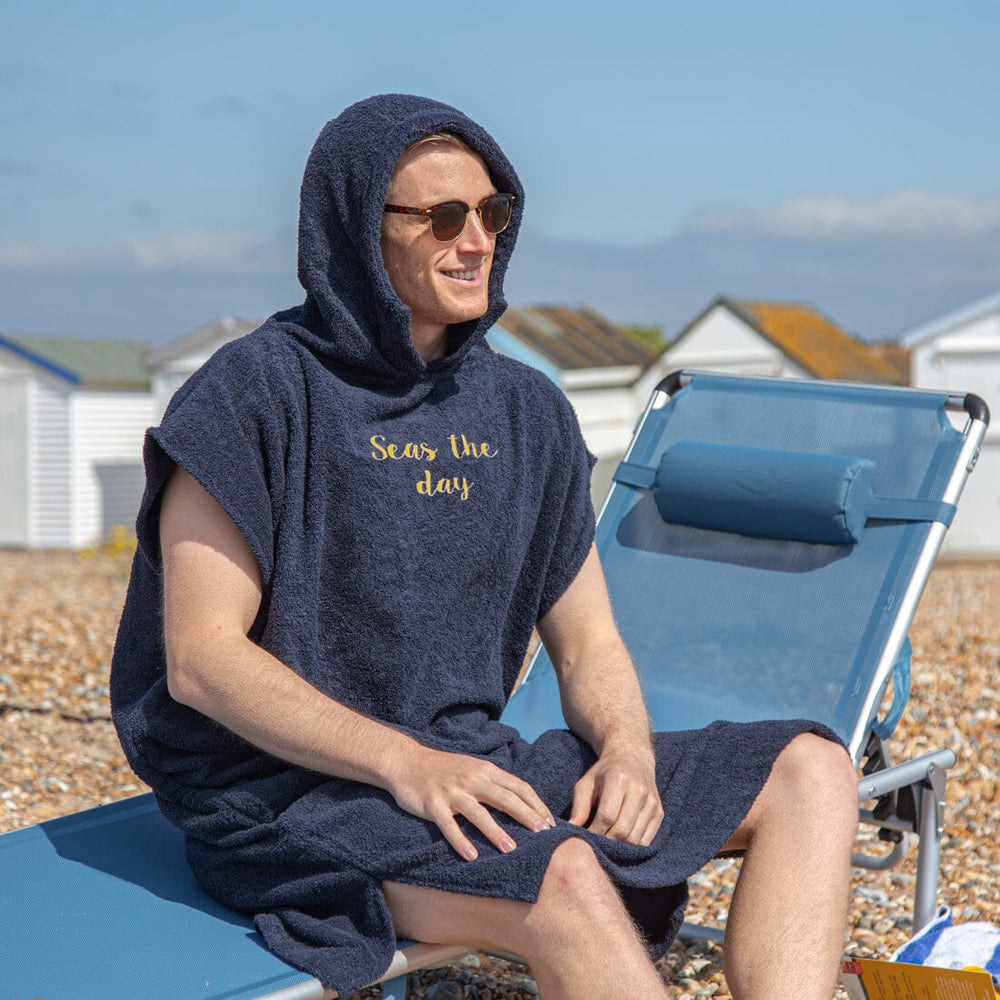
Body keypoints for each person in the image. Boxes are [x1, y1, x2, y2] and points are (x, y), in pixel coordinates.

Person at [110, 94, 858, 999]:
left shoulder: (526, 410)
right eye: (442, 217)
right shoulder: (255, 396)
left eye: (492, 213)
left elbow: (586, 644)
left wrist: (626, 753)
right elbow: (201, 662)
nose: (478, 242)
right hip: (289, 793)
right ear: (355, 229)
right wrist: (405, 764)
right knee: (567, 879)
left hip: (469, 764)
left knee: (810, 771)